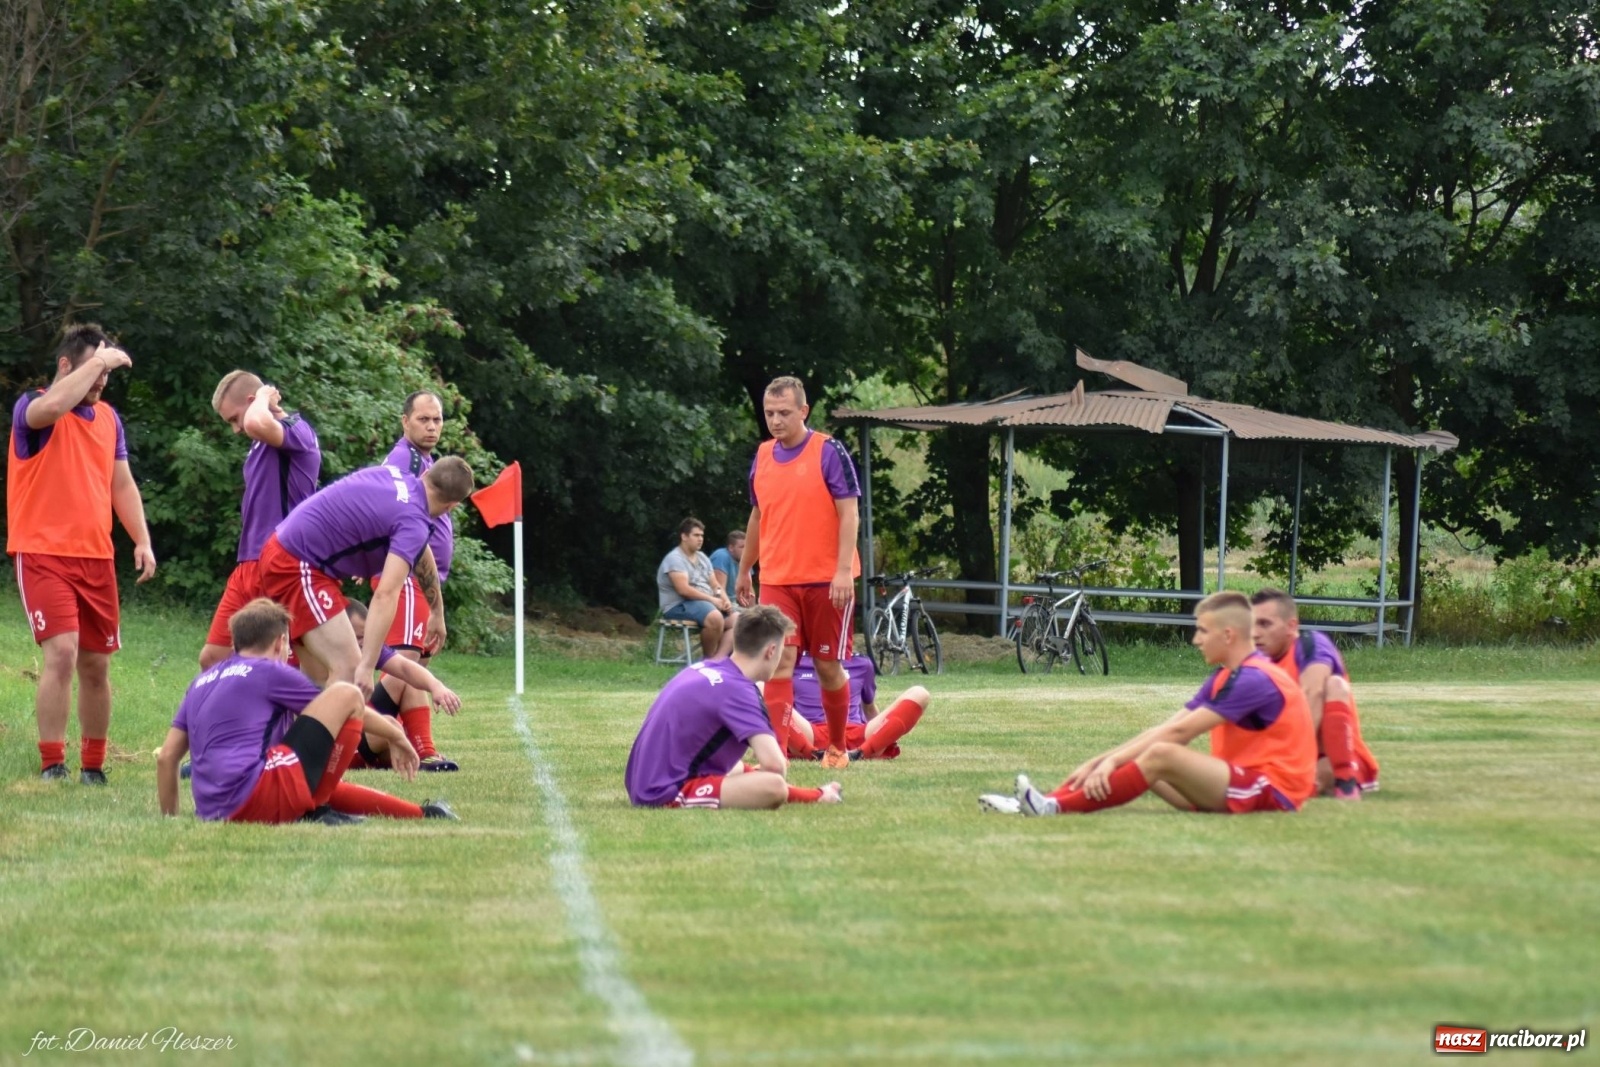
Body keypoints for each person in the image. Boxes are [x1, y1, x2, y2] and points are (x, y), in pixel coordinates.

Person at [980, 591, 1316, 816]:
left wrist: (1110, 761)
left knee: (1161, 753)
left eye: (1202, 631)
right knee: (1148, 750)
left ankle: (1053, 808)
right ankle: (1043, 801)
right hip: (1241, 785)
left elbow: (1180, 732)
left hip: (1274, 792)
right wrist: (1100, 760)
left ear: (1228, 635)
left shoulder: (1254, 678)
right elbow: (1166, 728)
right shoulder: (1224, 676)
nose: (1196, 639)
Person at [7, 324, 156, 783]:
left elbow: (121, 484)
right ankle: (53, 762)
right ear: (66, 365)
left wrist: (142, 539)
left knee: (96, 663)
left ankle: (93, 767)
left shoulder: (109, 420)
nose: (100, 382)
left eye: (106, 376)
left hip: (95, 557)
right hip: (42, 552)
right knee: (63, 654)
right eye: (93, 371)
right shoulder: (33, 407)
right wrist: (102, 360)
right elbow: (54, 404)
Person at [156, 599, 457, 823]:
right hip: (253, 796)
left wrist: (170, 820)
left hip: (214, 810)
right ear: (280, 642)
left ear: (235, 643)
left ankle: (423, 813)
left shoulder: (200, 682)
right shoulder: (267, 671)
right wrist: (397, 735)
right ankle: (318, 811)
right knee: (347, 694)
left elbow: (168, 758)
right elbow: (343, 702)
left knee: (314, 782)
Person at [257, 457, 472, 696]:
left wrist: (436, 611)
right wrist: (367, 666)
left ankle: (297, 732)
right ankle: (330, 732)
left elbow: (421, 551)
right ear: (452, 506)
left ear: (427, 474)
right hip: (297, 564)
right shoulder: (413, 521)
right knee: (349, 670)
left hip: (288, 551)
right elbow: (385, 594)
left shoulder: (393, 474)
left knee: (315, 677)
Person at [734, 376, 862, 771]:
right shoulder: (763, 455)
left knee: (827, 666)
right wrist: (745, 570)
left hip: (827, 580)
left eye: (784, 413)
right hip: (778, 579)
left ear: (803, 411)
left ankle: (838, 747)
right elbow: (758, 515)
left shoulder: (828, 450)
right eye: (769, 413)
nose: (775, 420)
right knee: (778, 661)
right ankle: (775, 753)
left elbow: (849, 513)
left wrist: (842, 572)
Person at [624, 605, 842, 810]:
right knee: (773, 786)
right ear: (771, 650)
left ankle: (813, 791)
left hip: (642, 779)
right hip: (662, 792)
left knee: (736, 767)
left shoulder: (706, 667)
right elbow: (776, 767)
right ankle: (818, 795)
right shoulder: (739, 690)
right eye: (782, 650)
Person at [199, 371, 321, 670]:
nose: (235, 429)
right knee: (213, 658)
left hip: (281, 563)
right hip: (249, 565)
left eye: (233, 418)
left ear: (253, 402)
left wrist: (266, 397)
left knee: (284, 667)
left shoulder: (296, 429)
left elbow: (254, 421)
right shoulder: (260, 442)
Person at [371, 390, 460, 770]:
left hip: (419, 579)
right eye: (423, 419)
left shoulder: (426, 460)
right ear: (405, 421)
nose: (431, 426)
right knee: (404, 661)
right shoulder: (403, 460)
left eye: (437, 420)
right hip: (405, 573)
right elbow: (393, 513)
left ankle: (422, 748)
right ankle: (358, 733)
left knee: (414, 662)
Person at [1250, 588, 1380, 801]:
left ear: (1291, 626)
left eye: (1264, 624)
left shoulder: (1311, 646)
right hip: (1283, 755)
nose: (1255, 633)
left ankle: (1344, 777)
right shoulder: (1254, 662)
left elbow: (1313, 692)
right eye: (1251, 624)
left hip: (1324, 752)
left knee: (1334, 685)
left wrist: (1290, 760)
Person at [342, 601, 462, 770]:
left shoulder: (369, 647)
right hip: (343, 736)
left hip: (364, 724)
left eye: (366, 637)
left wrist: (436, 686)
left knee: (406, 678)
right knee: (393, 729)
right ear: (338, 633)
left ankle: (425, 754)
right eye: (358, 638)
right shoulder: (316, 654)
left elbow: (405, 668)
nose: (364, 643)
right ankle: (384, 755)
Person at [788, 652, 927, 760]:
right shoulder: (793, 661)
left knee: (920, 693)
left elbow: (869, 708)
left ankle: (858, 755)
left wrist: (886, 733)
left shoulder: (862, 663)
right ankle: (813, 754)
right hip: (811, 732)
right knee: (766, 690)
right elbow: (783, 709)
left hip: (855, 735)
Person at [657, 517, 736, 660]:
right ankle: (708, 660)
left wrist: (724, 600)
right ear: (684, 536)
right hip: (678, 605)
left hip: (705, 603)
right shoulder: (675, 558)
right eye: (696, 535)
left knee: (740, 621)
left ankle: (720, 660)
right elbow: (684, 590)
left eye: (702, 536)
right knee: (715, 617)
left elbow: (715, 585)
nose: (700, 539)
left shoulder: (702, 558)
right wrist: (713, 600)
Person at [708, 530, 744, 596]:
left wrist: (754, 606)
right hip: (723, 602)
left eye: (747, 547)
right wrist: (722, 603)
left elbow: (750, 592)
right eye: (742, 547)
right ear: (731, 548)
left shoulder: (745, 559)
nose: (746, 550)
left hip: (736, 603)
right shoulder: (721, 556)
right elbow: (719, 588)